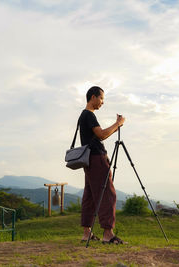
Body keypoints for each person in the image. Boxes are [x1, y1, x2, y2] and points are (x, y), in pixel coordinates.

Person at [79, 86, 126, 244]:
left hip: (88, 160)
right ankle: (108, 234)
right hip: (97, 158)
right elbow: (102, 135)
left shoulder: (83, 115)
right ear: (93, 97)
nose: (102, 103)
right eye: (101, 99)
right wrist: (118, 124)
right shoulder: (89, 115)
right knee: (108, 194)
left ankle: (87, 233)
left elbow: (98, 135)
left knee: (90, 195)